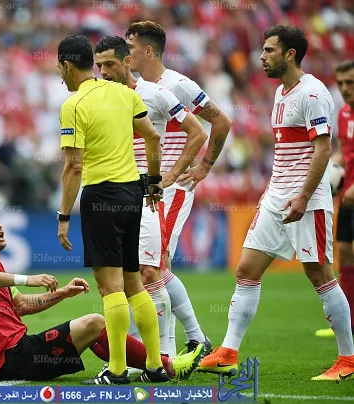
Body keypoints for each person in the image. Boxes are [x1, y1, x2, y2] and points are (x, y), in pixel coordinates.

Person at [199, 25, 354, 381]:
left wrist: (303, 195)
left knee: (320, 275)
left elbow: (323, 150)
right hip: (276, 197)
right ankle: (228, 352)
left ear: (290, 54)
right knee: (246, 270)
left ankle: (348, 358)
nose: (262, 57)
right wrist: (274, 190)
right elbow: (286, 151)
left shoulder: (312, 92)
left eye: (269, 50)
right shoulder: (281, 93)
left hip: (307, 200)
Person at [0, 209, 204, 382]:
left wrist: (63, 293)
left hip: (15, 356)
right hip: (11, 357)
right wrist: (27, 279)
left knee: (94, 333)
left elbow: (22, 305)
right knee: (95, 323)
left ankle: (134, 368)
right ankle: (164, 365)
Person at [55, 34, 171, 385]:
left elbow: (74, 166)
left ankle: (118, 370)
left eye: (60, 68)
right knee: (133, 282)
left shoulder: (74, 104)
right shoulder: (125, 93)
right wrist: (153, 182)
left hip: (101, 195)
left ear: (67, 66)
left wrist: (63, 216)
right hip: (132, 193)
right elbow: (153, 137)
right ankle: (155, 365)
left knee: (110, 288)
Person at [93, 35, 207, 362]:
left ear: (127, 62)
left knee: (148, 272)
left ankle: (165, 355)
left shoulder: (155, 93)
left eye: (109, 64)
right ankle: (152, 355)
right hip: (112, 195)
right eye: (99, 66)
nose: (104, 72)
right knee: (124, 278)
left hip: (145, 196)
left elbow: (198, 132)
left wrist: (169, 176)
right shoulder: (100, 96)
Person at [125, 21, 232, 357]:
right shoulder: (134, 89)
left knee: (152, 267)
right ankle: (188, 342)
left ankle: (168, 349)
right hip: (144, 189)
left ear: (148, 50)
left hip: (170, 190)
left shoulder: (179, 85)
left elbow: (221, 122)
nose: (126, 54)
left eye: (131, 47)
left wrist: (201, 167)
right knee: (151, 267)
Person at [316, 60, 354, 338]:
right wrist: (335, 169)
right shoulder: (343, 113)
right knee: (344, 251)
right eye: (340, 83)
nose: (344, 88)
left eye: (350, 82)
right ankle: (348, 321)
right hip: (348, 195)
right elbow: (343, 151)